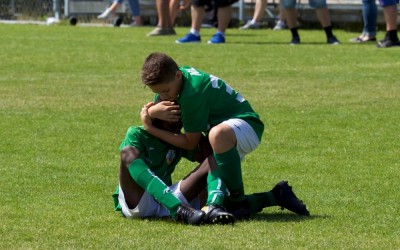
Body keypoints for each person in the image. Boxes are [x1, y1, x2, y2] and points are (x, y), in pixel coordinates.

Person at [139, 52, 266, 219]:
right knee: (205, 185)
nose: (163, 97)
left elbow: (190, 143)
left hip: (247, 126)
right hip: (229, 134)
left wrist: (150, 127)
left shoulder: (193, 92)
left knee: (216, 135)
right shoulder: (177, 80)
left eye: (166, 91)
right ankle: (276, 195)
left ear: (178, 75)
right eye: (158, 93)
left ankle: (237, 200)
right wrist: (151, 110)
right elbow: (160, 110)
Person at [113, 101, 236, 225]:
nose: (178, 126)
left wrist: (199, 127)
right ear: (157, 118)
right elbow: (128, 157)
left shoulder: (177, 138)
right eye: (172, 122)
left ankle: (213, 208)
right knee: (127, 153)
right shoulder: (137, 134)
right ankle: (178, 209)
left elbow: (208, 159)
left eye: (180, 122)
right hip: (139, 202)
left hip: (166, 200)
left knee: (214, 160)